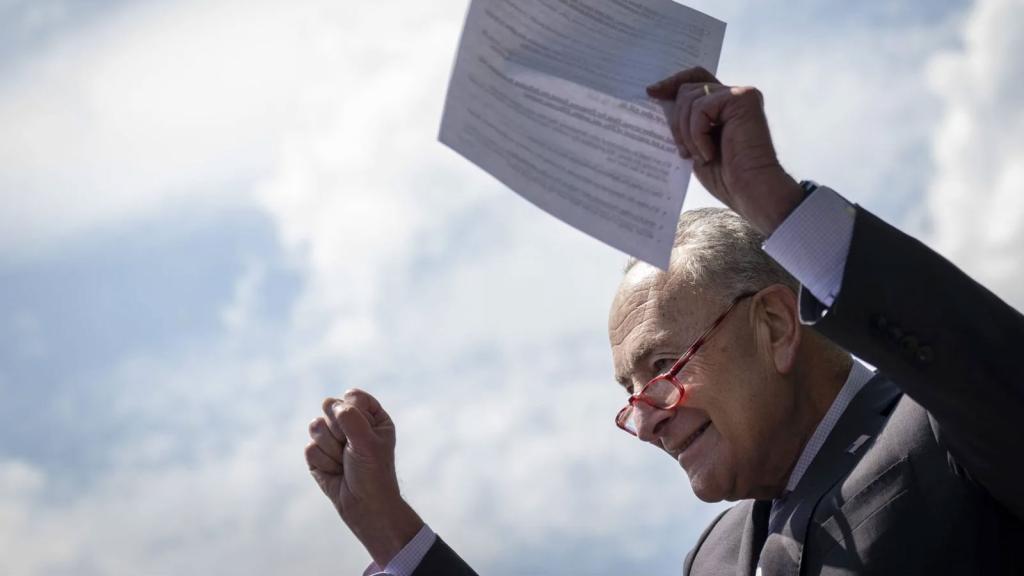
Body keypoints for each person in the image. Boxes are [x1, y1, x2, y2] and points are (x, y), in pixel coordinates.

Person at [304, 67, 1024, 575]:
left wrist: (779, 207)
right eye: (629, 392)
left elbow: (993, 370)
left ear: (774, 325)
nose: (646, 421)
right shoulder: (710, 559)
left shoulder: (943, 428)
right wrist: (393, 536)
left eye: (661, 367)